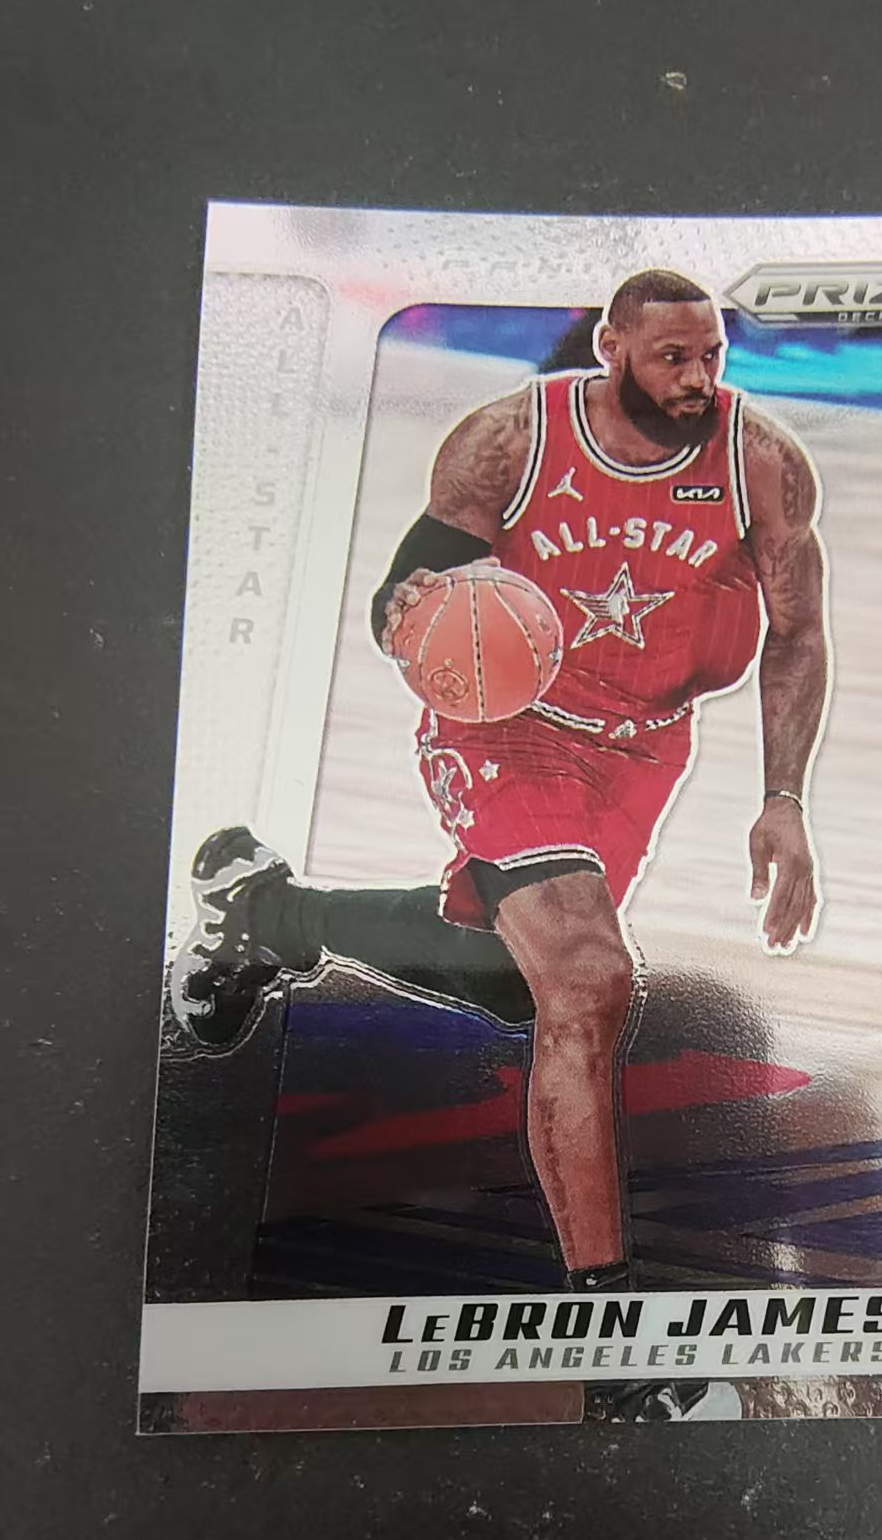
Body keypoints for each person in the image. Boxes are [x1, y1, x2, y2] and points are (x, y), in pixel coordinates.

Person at [171, 268, 829, 1294]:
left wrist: (783, 797)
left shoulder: (761, 463)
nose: (698, 376)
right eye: (672, 356)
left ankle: (267, 914)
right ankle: (602, 1301)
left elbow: (797, 633)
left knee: (519, 981)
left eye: (711, 355)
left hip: (644, 746)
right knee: (588, 979)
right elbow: (404, 590)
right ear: (611, 346)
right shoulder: (510, 441)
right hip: (506, 729)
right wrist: (413, 613)